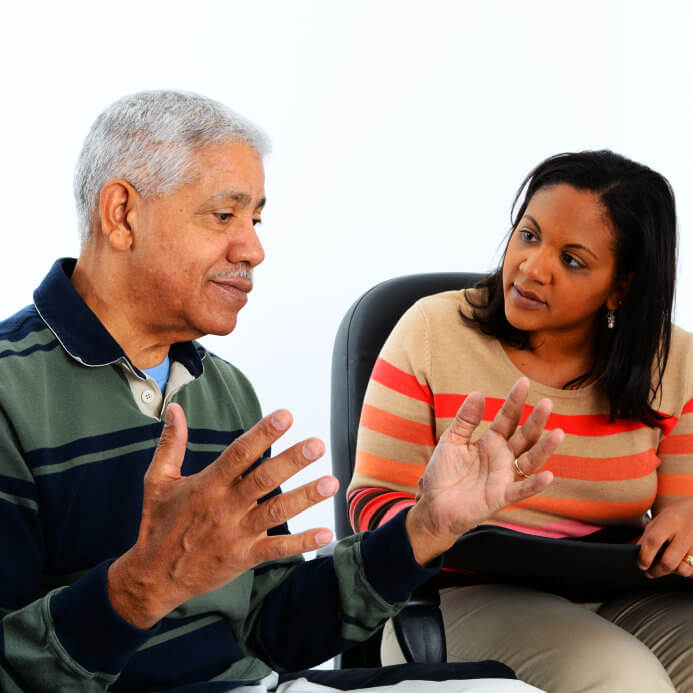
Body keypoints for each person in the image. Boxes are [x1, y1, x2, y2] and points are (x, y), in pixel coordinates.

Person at [0, 90, 562, 693]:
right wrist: (143, 585)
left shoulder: (222, 390)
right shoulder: (12, 391)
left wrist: (423, 529)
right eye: (224, 216)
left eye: (256, 219)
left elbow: (275, 631)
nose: (254, 250)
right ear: (122, 214)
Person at [348, 150, 693, 692]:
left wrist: (686, 529)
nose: (532, 268)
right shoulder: (431, 332)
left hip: (620, 597)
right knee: (625, 679)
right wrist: (441, 516)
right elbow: (369, 504)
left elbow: (681, 520)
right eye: (529, 236)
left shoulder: (673, 363)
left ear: (621, 286)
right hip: (453, 596)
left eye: (572, 260)